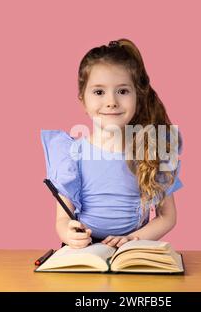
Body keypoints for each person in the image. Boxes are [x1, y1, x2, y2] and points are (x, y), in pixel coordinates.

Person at [41, 39, 183, 249]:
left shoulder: (151, 149)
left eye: (123, 91)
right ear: (83, 101)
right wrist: (68, 233)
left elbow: (167, 217)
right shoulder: (72, 153)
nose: (111, 102)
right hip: (85, 251)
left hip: (132, 251)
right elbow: (62, 219)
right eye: (99, 92)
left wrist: (132, 239)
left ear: (138, 97)